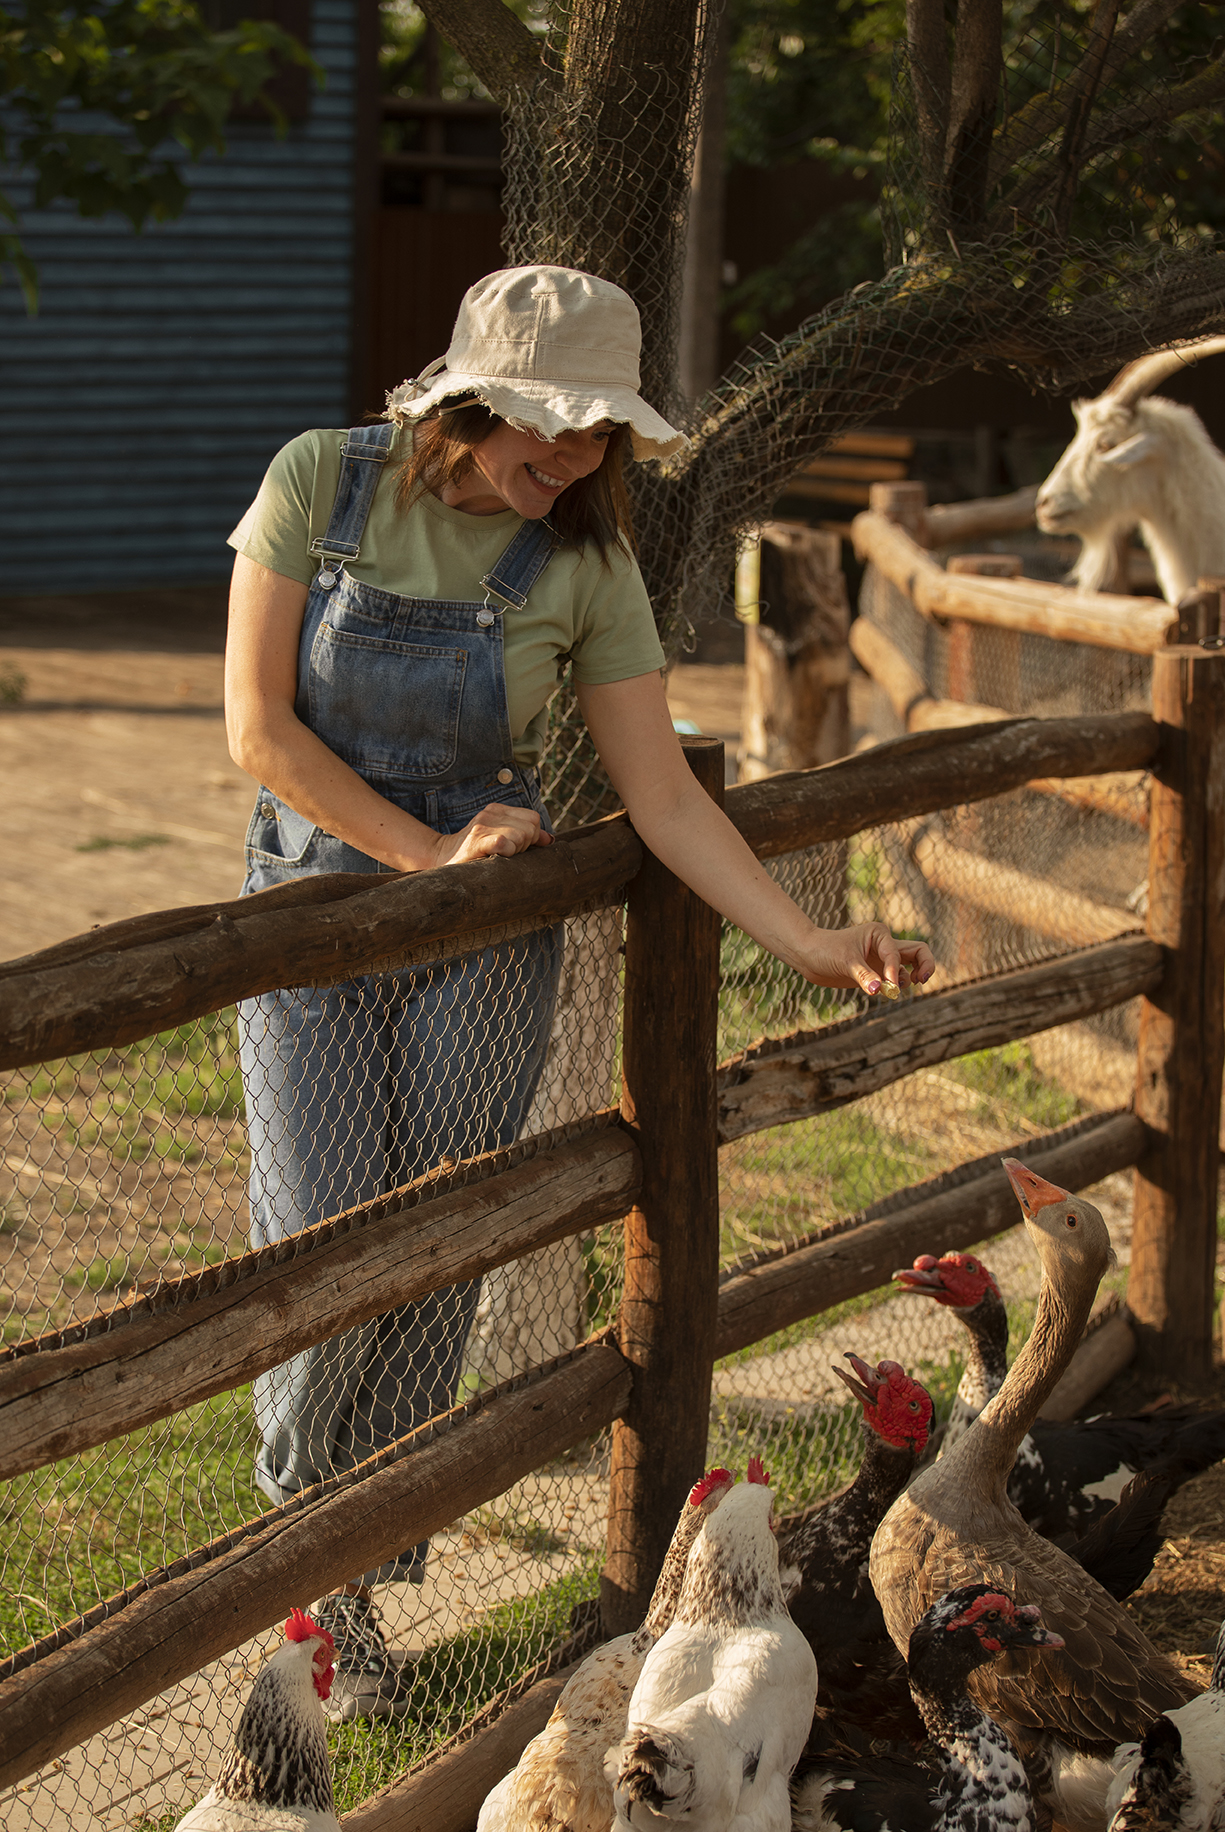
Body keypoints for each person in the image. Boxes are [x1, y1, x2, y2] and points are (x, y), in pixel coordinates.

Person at [224, 264, 935, 1722]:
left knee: (439, 1253)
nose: (567, 453)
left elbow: (663, 800)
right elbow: (258, 730)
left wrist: (809, 941)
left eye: (595, 428)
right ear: (469, 400)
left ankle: (351, 1597)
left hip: (487, 945)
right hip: (311, 920)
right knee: (318, 1251)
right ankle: (293, 1552)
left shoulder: (585, 567)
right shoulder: (318, 482)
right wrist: (428, 857)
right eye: (542, 421)